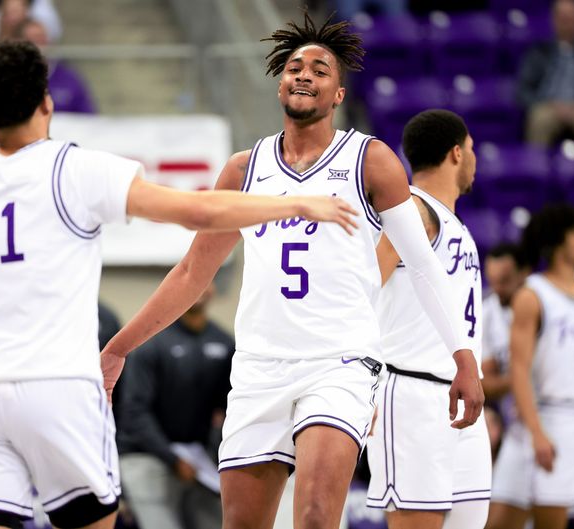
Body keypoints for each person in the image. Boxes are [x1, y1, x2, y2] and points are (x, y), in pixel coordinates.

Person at [0, 39, 358, 529]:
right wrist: (297, 203)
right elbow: (200, 211)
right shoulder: (73, 168)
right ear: (46, 101)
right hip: (56, 386)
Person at [101, 14, 483, 529]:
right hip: (259, 366)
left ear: (339, 93)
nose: (304, 74)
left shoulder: (369, 160)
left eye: (319, 69)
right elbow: (193, 271)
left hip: (339, 363)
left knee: (316, 515)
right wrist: (120, 346)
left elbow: (422, 265)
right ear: (280, 81)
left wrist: (464, 359)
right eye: (294, 66)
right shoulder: (243, 169)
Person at [365, 109, 491, 529]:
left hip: (461, 400)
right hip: (412, 396)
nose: (475, 159)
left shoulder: (453, 222)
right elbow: (363, 294)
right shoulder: (414, 211)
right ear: (457, 153)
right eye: (471, 149)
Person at [488, 204, 574, 529]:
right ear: (560, 241)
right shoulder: (532, 296)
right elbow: (518, 370)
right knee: (512, 520)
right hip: (551, 417)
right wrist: (537, 431)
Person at [118, 285, 231, 529]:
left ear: (213, 290)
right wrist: (172, 458)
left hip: (198, 462)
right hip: (147, 455)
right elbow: (134, 413)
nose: (200, 287)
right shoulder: (150, 342)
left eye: (207, 280)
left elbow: (230, 408)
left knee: (221, 521)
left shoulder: (223, 342)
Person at [517, 0, 574, 146]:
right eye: (564, 19)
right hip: (548, 106)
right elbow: (523, 90)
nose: (568, 24)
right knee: (538, 120)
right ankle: (536, 167)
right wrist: (546, 104)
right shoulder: (538, 52)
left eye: (572, 19)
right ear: (554, 20)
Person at [480, 243, 529, 404]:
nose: (497, 288)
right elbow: (486, 383)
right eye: (492, 281)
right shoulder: (486, 312)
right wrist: (523, 378)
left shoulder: (547, 302)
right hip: (512, 412)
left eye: (505, 280)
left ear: (524, 273)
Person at [14, 18, 96, 114]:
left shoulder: (69, 78)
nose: (42, 45)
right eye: (35, 39)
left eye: (43, 38)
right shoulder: (8, 78)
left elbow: (89, 117)